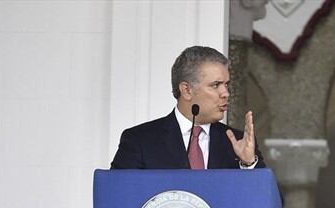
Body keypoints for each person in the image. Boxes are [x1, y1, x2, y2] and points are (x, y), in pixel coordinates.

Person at [111, 46, 265, 170]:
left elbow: (268, 196)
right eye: (216, 85)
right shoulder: (140, 140)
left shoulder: (238, 142)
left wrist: (248, 164)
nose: (225, 93)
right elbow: (118, 194)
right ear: (187, 90)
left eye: (226, 85)